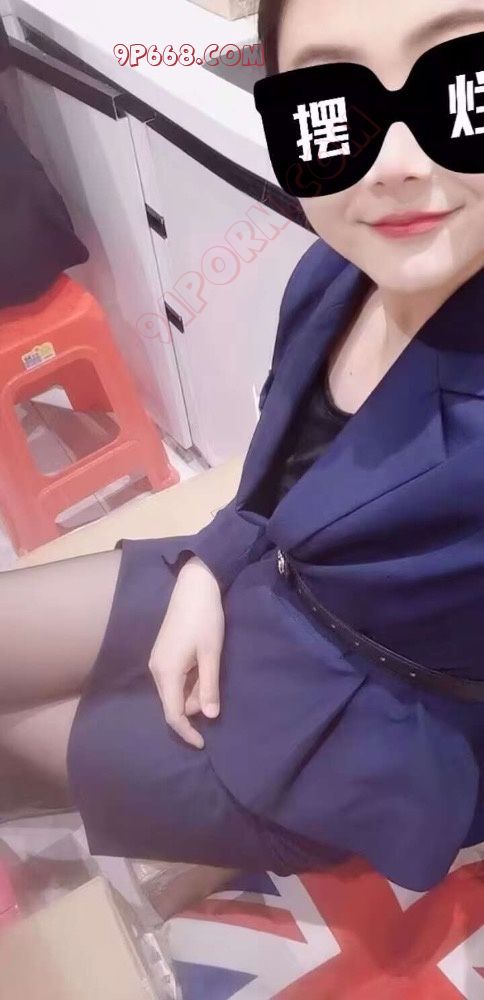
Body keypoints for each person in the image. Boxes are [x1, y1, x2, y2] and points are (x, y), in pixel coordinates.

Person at [2, 0, 484, 894]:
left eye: (467, 88)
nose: (395, 164)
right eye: (332, 107)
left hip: (356, 733)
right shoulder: (334, 273)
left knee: (10, 745)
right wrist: (208, 566)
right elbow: (279, 474)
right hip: (256, 571)